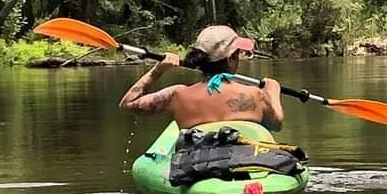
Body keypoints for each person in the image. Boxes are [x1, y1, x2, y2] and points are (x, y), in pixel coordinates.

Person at [119, 24, 284, 131]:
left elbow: (128, 104)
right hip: (245, 167)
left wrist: (158, 70)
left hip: (198, 168)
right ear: (230, 59)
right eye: (237, 54)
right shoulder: (255, 94)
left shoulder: (177, 96)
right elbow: (276, 124)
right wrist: (273, 90)